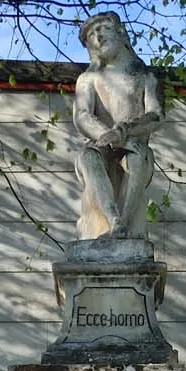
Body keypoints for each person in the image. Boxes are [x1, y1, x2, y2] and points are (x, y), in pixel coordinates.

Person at [72, 12, 163, 239]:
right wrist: (106, 134)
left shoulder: (144, 75)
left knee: (138, 156)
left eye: (103, 28)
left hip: (133, 146)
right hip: (100, 144)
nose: (98, 37)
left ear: (121, 32)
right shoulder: (88, 78)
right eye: (91, 35)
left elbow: (156, 114)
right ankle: (113, 220)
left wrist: (123, 132)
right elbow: (82, 115)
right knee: (88, 157)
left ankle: (124, 222)